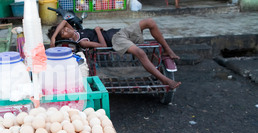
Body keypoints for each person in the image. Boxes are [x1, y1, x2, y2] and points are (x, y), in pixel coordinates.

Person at [47, 18, 181, 90]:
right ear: (65, 38)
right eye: (63, 32)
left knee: (150, 22)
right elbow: (103, 46)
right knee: (140, 52)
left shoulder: (75, 31)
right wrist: (97, 31)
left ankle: (168, 50)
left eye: (65, 28)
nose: (66, 29)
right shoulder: (82, 42)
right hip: (115, 39)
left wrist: (53, 38)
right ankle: (165, 80)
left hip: (119, 31)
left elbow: (65, 20)